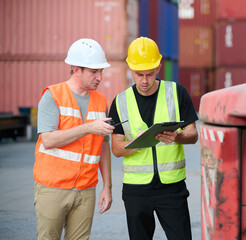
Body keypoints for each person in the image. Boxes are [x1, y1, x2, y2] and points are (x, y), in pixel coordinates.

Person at [109, 36, 199, 240]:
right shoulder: (120, 102)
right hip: (136, 191)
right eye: (139, 74)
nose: (144, 80)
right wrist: (140, 143)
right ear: (130, 68)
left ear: (159, 67)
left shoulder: (177, 92)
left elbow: (193, 135)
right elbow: (116, 149)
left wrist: (177, 137)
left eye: (149, 74)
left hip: (172, 188)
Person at [33, 38, 114, 240]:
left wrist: (107, 187)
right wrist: (88, 128)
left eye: (101, 71)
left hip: (86, 190)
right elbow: (49, 140)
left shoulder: (101, 100)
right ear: (76, 70)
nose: (99, 77)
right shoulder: (53, 96)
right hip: (53, 188)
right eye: (94, 72)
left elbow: (104, 147)